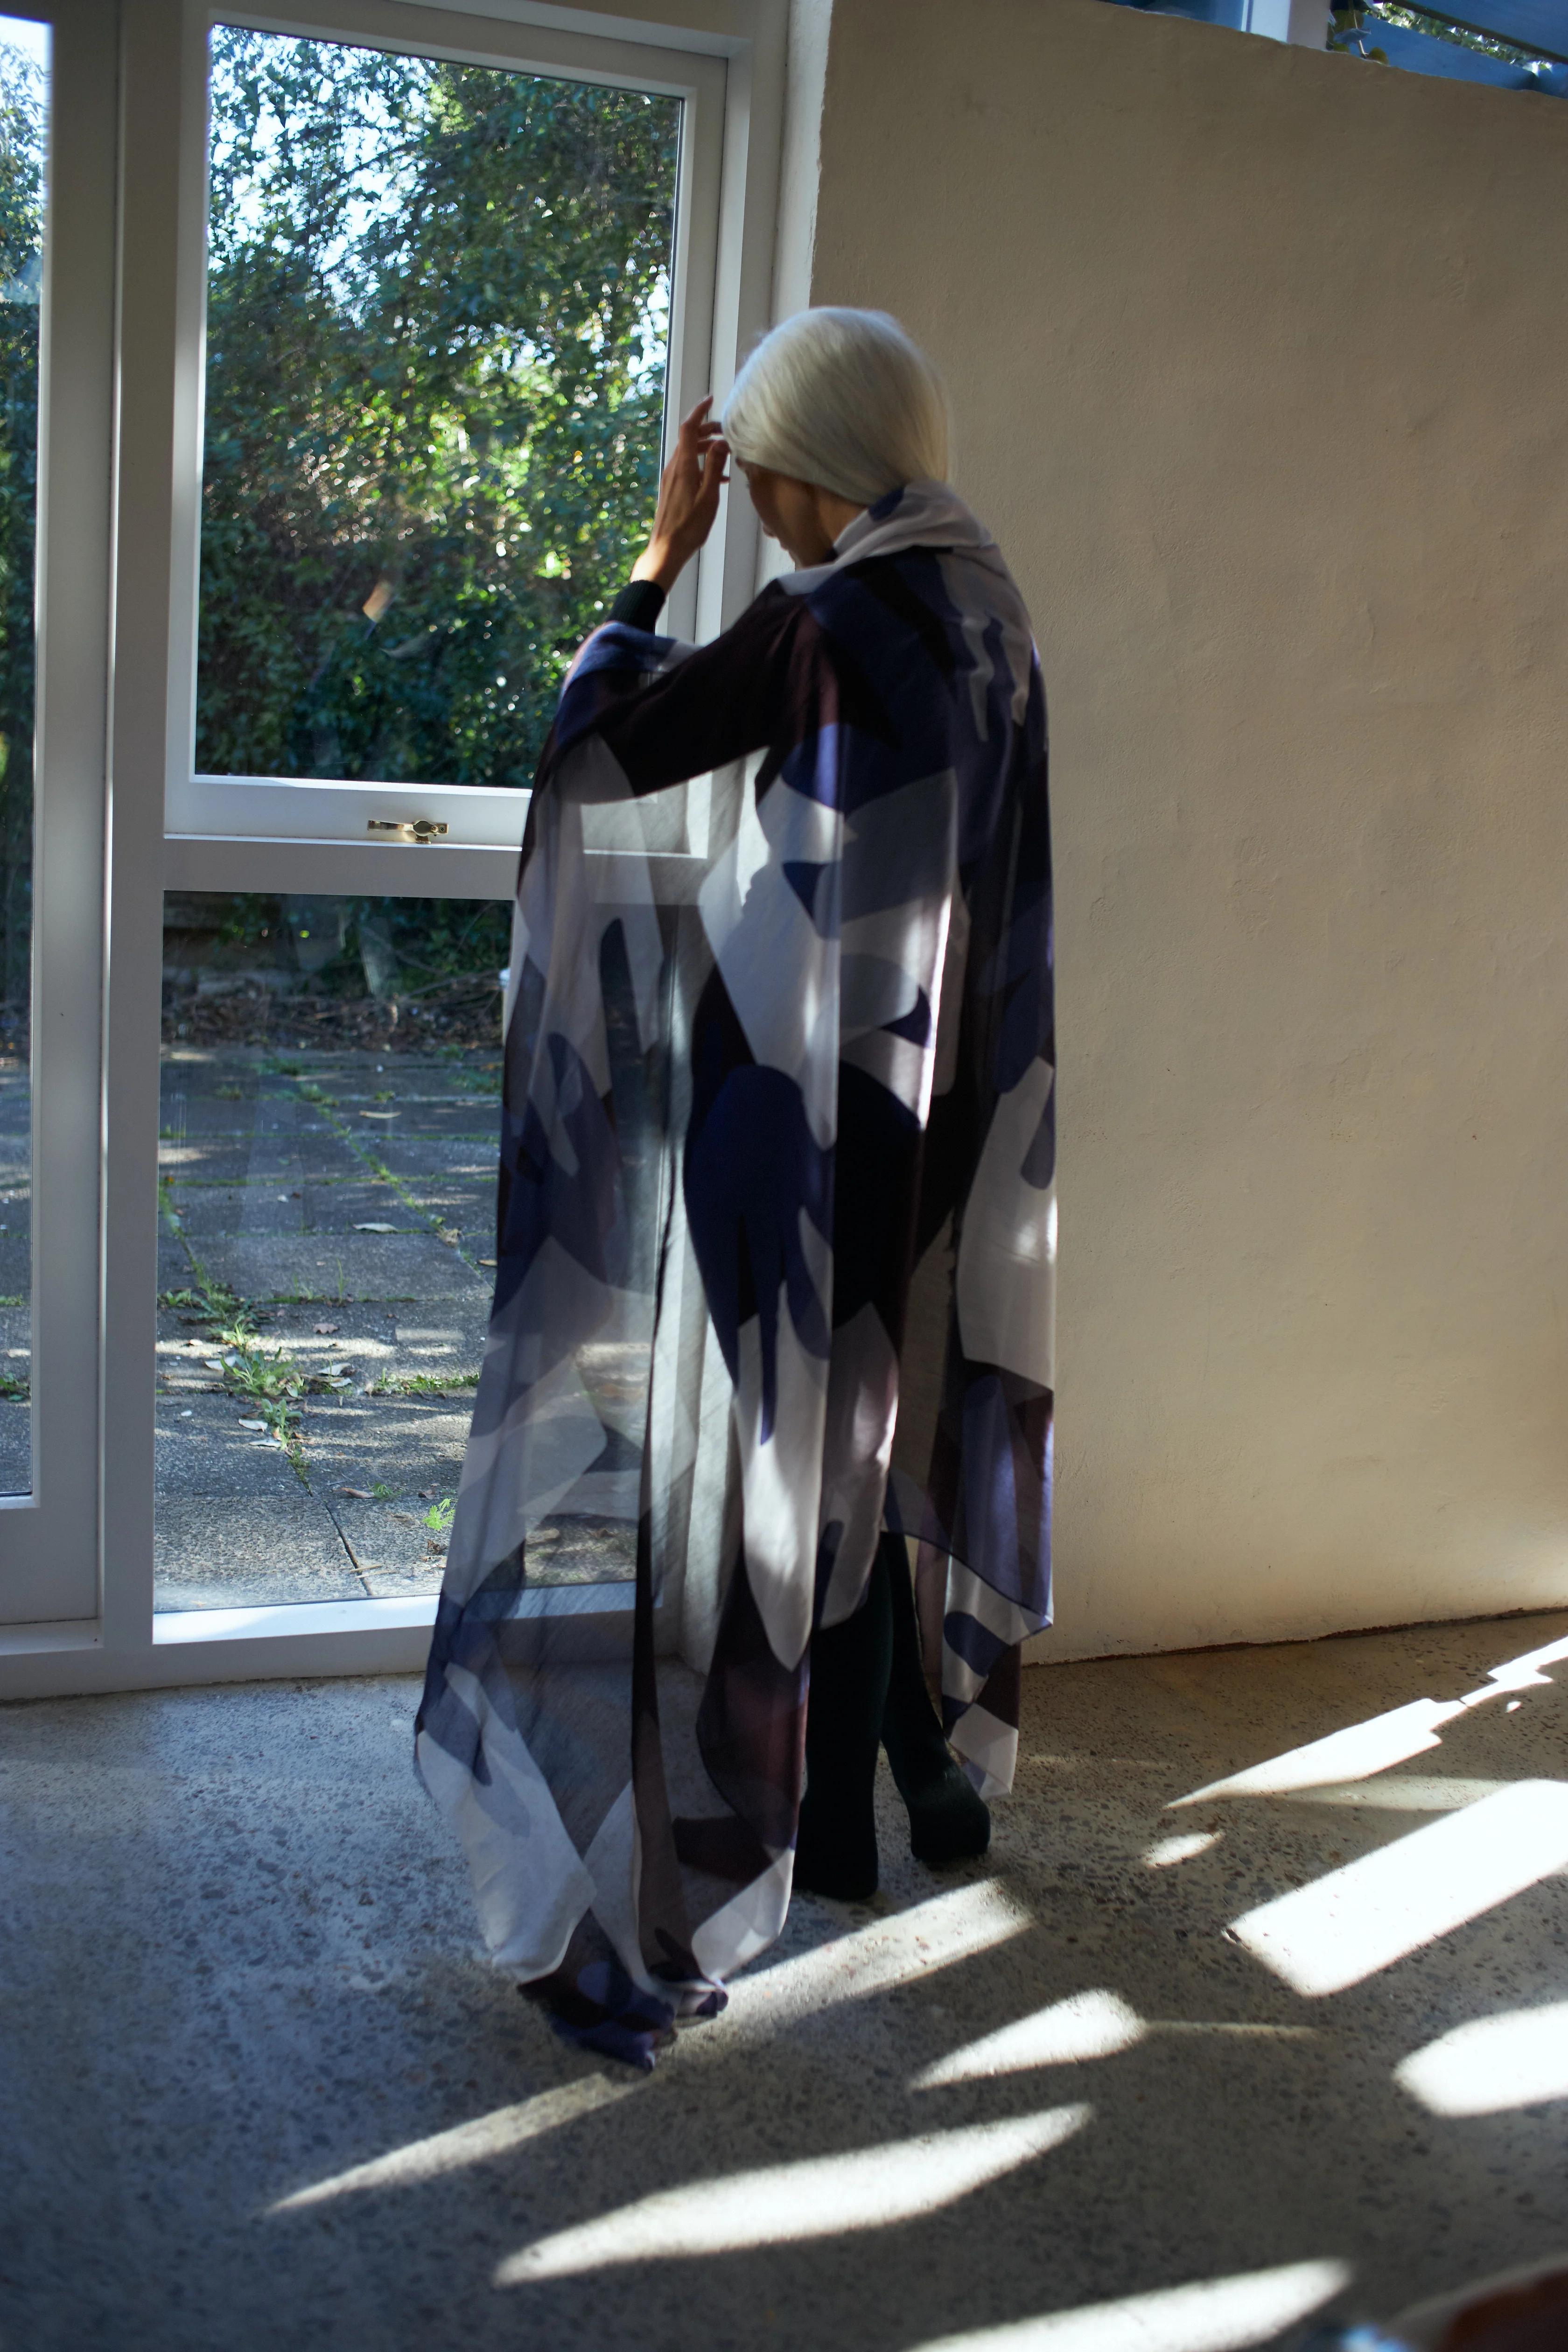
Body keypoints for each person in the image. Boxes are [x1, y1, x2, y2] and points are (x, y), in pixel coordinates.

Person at [416, 308, 1055, 2071]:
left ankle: (782, 1816)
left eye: (762, 479)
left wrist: (650, 565)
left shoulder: (840, 615)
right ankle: (875, 1788)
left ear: (799, 468)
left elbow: (610, 747)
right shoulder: (989, 606)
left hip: (797, 1112)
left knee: (791, 1454)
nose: (761, 509)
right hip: (938, 1106)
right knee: (862, 1426)